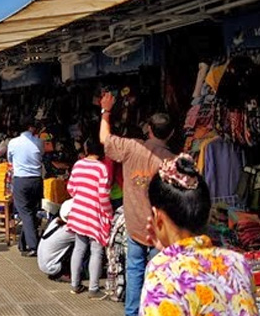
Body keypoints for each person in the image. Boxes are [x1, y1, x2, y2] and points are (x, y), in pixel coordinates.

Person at [140, 154, 258, 315]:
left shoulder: (162, 274)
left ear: (157, 217)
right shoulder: (238, 262)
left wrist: (168, 258)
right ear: (208, 214)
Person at [99, 92, 176, 316]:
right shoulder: (171, 161)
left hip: (134, 225)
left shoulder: (131, 147)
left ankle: (132, 312)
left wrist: (106, 111)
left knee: (134, 271)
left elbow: (105, 138)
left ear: (149, 129)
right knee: (157, 275)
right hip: (159, 231)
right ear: (170, 134)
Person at [66, 137, 112, 298]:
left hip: (78, 212)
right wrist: (109, 213)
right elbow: (103, 196)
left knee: (79, 248)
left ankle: (75, 284)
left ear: (86, 150)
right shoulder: (102, 169)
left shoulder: (78, 165)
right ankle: (93, 288)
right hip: (94, 214)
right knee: (96, 250)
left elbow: (70, 188)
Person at [7, 117, 44, 256]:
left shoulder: (13, 143)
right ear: (31, 128)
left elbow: (10, 159)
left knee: (26, 213)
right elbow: (41, 155)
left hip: (21, 180)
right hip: (36, 180)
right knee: (31, 212)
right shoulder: (39, 142)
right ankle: (23, 244)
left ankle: (34, 246)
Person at [38, 199, 76, 281]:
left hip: (44, 264)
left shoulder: (54, 222)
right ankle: (71, 272)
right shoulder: (68, 230)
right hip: (53, 267)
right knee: (82, 245)